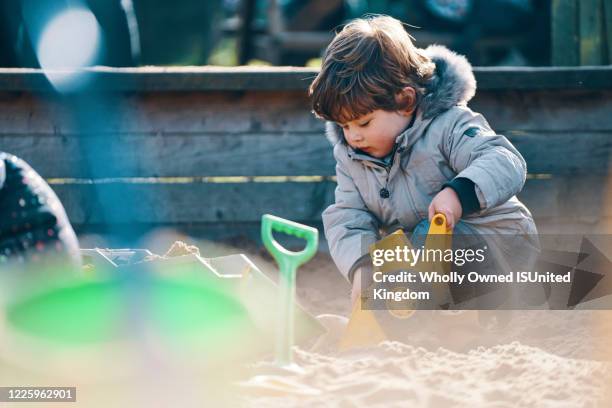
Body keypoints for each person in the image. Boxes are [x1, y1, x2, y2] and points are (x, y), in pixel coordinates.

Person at [308, 15, 539, 307]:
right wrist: (363, 266)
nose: (353, 136)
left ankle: (473, 320)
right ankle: (410, 325)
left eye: (364, 123)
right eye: (344, 126)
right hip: (425, 255)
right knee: (385, 274)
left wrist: (458, 193)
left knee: (427, 241)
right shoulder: (352, 157)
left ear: (405, 102)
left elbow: (504, 161)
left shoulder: (448, 125)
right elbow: (348, 218)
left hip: (499, 250)